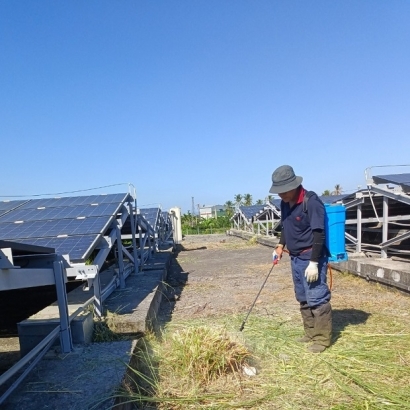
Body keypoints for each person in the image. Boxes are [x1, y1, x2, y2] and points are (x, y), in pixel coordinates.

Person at [269, 165, 332, 353]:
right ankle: (310, 333)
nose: (281, 195)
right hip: (295, 259)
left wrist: (314, 263)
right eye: (278, 192)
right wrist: (280, 246)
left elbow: (319, 234)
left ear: (294, 186)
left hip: (310, 257)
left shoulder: (311, 202)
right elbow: (286, 227)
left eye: (283, 191)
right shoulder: (284, 203)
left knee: (317, 297)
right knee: (303, 297)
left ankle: (322, 339)